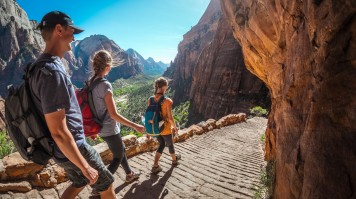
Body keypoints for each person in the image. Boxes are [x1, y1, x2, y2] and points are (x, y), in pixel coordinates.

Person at [31, 11, 115, 199]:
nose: (74, 38)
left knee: (80, 182)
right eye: (72, 31)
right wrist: (85, 166)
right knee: (107, 185)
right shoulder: (52, 72)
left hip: (59, 149)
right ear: (59, 30)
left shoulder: (37, 67)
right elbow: (59, 131)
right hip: (74, 147)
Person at [90, 50, 145, 182]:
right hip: (109, 129)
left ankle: (129, 174)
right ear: (108, 66)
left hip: (100, 127)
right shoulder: (105, 85)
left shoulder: (90, 82)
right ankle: (101, 186)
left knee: (121, 151)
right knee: (117, 157)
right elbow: (113, 114)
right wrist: (135, 125)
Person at [146, 77, 181, 174]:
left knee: (161, 144)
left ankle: (155, 166)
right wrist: (175, 128)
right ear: (164, 87)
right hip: (165, 128)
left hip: (155, 129)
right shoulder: (167, 101)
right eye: (166, 86)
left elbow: (149, 115)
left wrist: (147, 131)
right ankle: (174, 160)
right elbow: (170, 117)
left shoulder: (150, 99)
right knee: (170, 145)